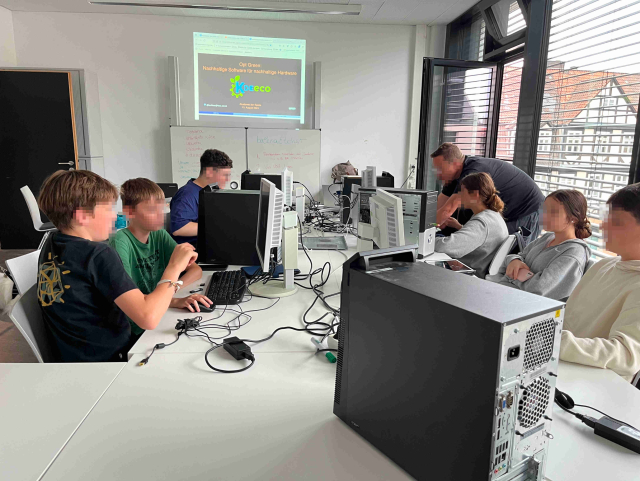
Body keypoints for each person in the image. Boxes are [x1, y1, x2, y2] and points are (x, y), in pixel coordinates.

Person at [37, 170, 198, 363]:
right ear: (82, 217)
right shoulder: (98, 254)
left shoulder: (51, 243)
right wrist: (174, 266)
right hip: (110, 362)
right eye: (108, 210)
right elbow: (148, 318)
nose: (114, 217)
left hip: (69, 361)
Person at [109, 178, 213, 339]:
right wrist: (174, 300)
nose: (160, 216)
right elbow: (134, 302)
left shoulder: (159, 234)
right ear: (129, 212)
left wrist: (171, 290)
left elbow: (195, 270)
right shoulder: (120, 242)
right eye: (152, 210)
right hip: (138, 327)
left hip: (160, 310)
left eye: (162, 208)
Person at [560, 183, 640, 382]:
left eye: (617, 222)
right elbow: (569, 318)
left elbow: (626, 355)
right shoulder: (602, 265)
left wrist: (553, 342)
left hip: (594, 386)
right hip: (561, 366)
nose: (603, 226)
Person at [486, 190, 592, 300]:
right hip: (501, 292)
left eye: (553, 212)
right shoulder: (547, 238)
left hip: (520, 305)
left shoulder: (574, 253)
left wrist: (511, 275)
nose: (544, 215)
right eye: (544, 210)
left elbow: (538, 288)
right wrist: (515, 261)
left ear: (573, 219)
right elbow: (516, 257)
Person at [431, 143, 545, 244]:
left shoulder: (473, 172)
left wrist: (424, 231)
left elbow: (448, 209)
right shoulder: (453, 176)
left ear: (455, 163)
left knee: (504, 252)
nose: (438, 174)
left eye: (440, 169)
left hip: (528, 210)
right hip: (511, 210)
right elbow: (438, 207)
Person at [435, 172, 509, 278]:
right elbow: (483, 239)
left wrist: (424, 239)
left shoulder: (482, 223)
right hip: (476, 265)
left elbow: (445, 247)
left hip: (470, 275)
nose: (459, 195)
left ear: (475, 194)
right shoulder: (493, 214)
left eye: (462, 191)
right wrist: (460, 227)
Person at [170, 149, 233, 246]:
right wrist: (218, 227)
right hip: (193, 253)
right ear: (209, 172)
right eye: (224, 175)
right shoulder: (187, 194)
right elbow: (179, 228)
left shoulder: (207, 191)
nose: (228, 180)